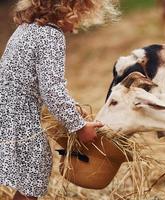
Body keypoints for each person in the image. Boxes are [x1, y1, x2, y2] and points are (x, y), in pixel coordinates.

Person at [0, 0, 118, 199]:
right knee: (35, 163)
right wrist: (79, 126)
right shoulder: (51, 35)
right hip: (17, 111)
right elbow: (52, 89)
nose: (75, 28)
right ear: (66, 9)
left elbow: (39, 82)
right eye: (78, 16)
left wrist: (72, 108)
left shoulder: (26, 28)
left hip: (8, 105)